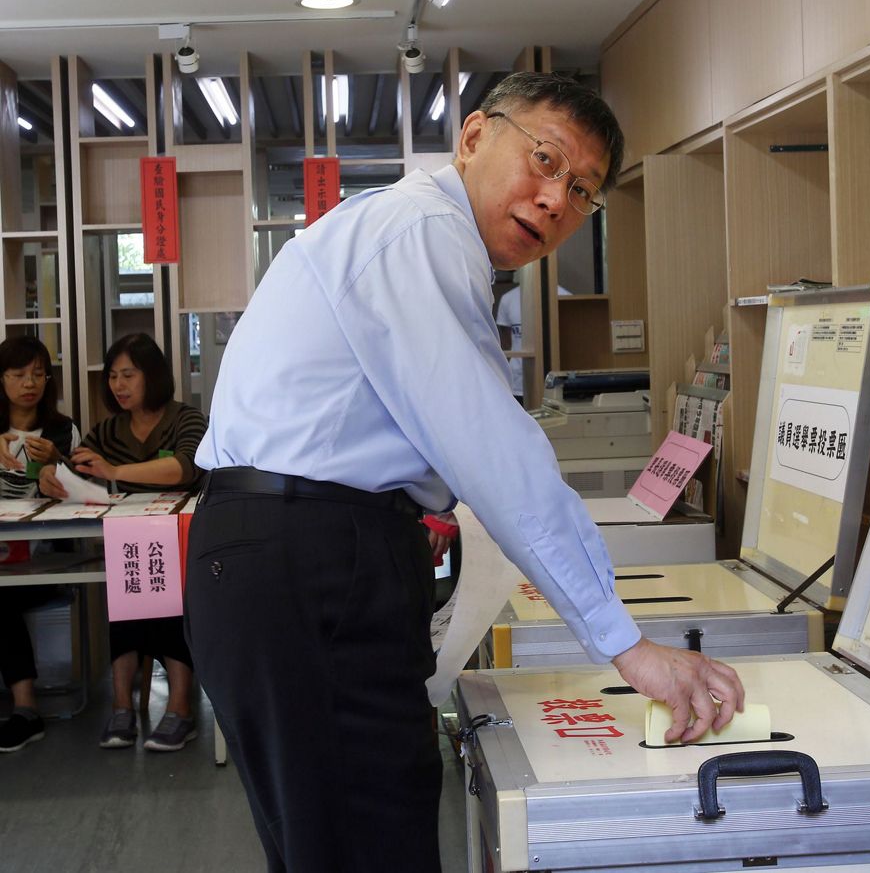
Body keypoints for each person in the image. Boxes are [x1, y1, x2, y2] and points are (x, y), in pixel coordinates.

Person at [185, 71, 744, 872]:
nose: (557, 200)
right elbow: (496, 452)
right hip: (307, 556)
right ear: (476, 135)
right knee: (367, 835)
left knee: (337, 835)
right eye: (545, 161)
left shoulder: (415, 235)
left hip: (289, 554)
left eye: (582, 191)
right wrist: (624, 643)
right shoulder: (421, 229)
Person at [39, 333, 208, 752]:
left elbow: (183, 469)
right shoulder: (109, 429)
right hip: (128, 544)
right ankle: (121, 708)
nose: (118, 385)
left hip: (179, 542)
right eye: (113, 376)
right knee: (126, 598)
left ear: (153, 376)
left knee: (165, 602)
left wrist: (115, 468)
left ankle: (181, 709)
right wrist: (52, 475)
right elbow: (80, 470)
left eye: (128, 374)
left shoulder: (186, 418)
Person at [0, 337, 80, 753]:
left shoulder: (62, 430)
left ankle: (25, 709)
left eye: (38, 374)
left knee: (2, 595)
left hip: (48, 556)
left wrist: (60, 466)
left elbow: (89, 492)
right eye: (18, 375)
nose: (29, 383)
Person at [495, 279, 569, 403]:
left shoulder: (564, 296)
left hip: (556, 379)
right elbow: (506, 340)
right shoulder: (508, 299)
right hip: (516, 382)